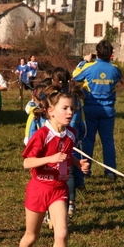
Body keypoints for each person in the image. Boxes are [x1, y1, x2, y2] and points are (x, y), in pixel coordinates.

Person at [15, 89, 89, 247]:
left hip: (59, 189)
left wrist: (77, 163)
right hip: (39, 189)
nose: (69, 113)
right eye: (65, 108)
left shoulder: (71, 133)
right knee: (31, 236)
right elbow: (27, 162)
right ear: (50, 111)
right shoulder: (41, 134)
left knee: (62, 233)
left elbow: (65, 156)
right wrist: (49, 159)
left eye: (72, 109)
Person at [72, 40, 123, 181]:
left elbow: (75, 75)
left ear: (97, 53)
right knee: (108, 140)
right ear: (111, 54)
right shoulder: (115, 68)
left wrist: (84, 61)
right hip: (108, 110)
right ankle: (110, 171)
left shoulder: (89, 66)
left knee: (88, 140)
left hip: (90, 109)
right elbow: (121, 74)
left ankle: (85, 171)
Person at [51, 67, 87, 217]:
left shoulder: (53, 99)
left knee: (54, 175)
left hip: (53, 146)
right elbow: (83, 126)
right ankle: (70, 203)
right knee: (68, 173)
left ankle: (53, 206)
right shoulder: (74, 99)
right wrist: (79, 138)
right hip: (72, 145)